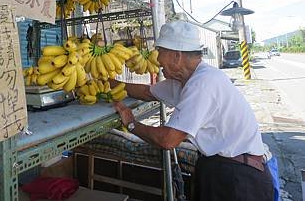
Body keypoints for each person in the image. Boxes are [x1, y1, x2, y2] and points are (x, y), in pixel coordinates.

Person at [113, 20, 273, 201]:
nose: (157, 60)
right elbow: (145, 92)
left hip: (238, 180)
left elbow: (168, 140)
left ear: (176, 55)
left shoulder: (203, 83)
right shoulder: (184, 81)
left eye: (160, 52)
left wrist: (132, 124)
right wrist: (109, 84)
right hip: (221, 169)